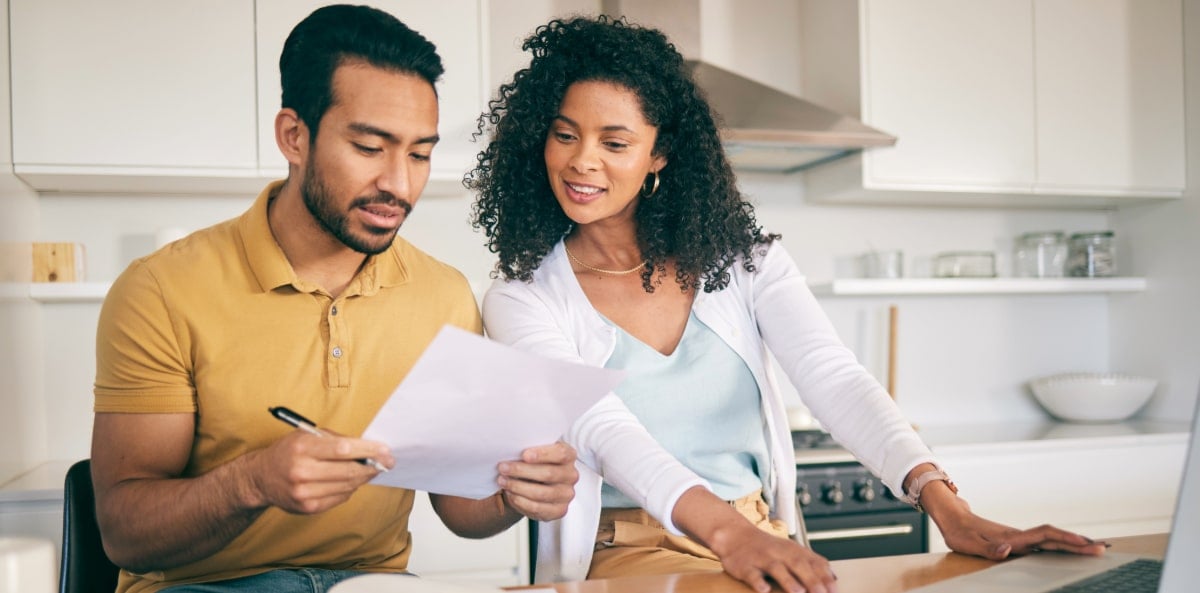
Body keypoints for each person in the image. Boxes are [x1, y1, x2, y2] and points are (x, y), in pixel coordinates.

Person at [467, 15, 1109, 593]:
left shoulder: (745, 262)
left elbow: (835, 379)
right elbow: (602, 431)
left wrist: (949, 509)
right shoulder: (522, 297)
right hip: (631, 554)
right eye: (564, 135)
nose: (582, 162)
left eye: (615, 142)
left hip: (759, 535)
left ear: (658, 155)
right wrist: (726, 535)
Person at [89, 6, 578, 593]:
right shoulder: (161, 290)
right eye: (371, 147)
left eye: (419, 154)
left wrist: (516, 492)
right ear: (294, 136)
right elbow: (125, 534)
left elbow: (459, 508)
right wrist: (251, 483)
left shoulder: (443, 295)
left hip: (371, 583)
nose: (399, 184)